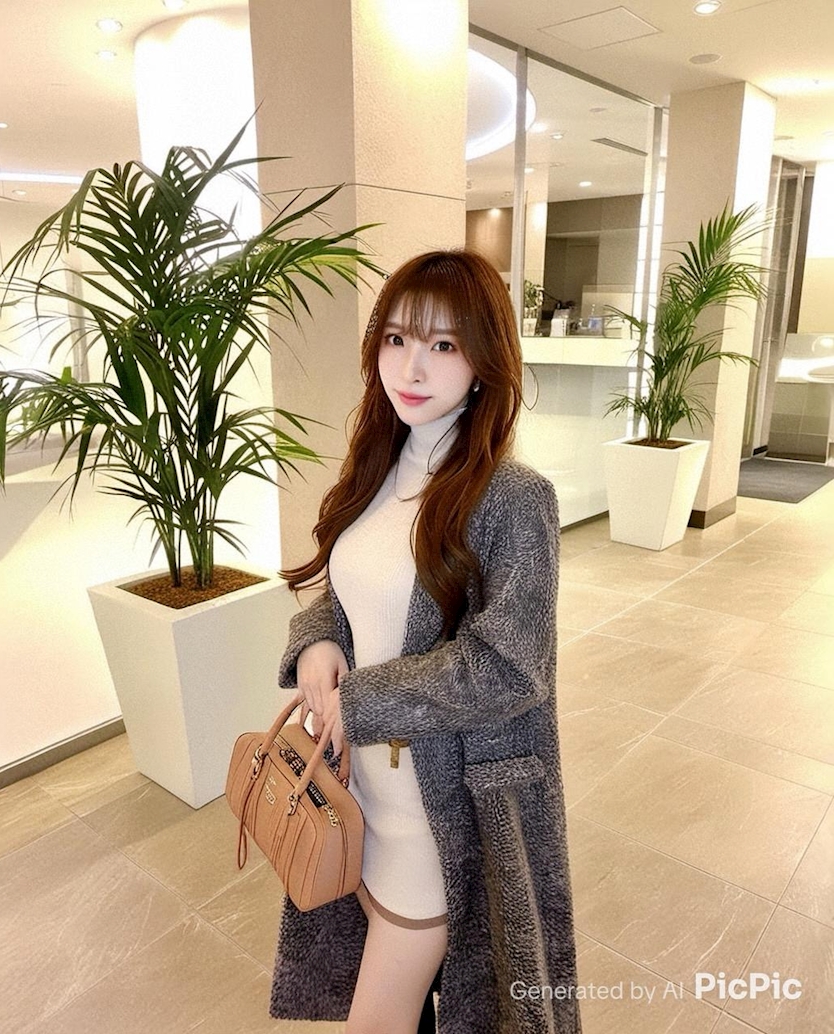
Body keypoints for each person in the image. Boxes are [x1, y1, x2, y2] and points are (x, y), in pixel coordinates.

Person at [269, 250, 581, 1034]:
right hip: (361, 795)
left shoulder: (513, 497)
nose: (412, 367)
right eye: (399, 338)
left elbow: (509, 668)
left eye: (444, 344)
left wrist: (361, 701)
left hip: (438, 816)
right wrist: (316, 643)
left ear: (483, 362)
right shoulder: (382, 460)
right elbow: (352, 591)